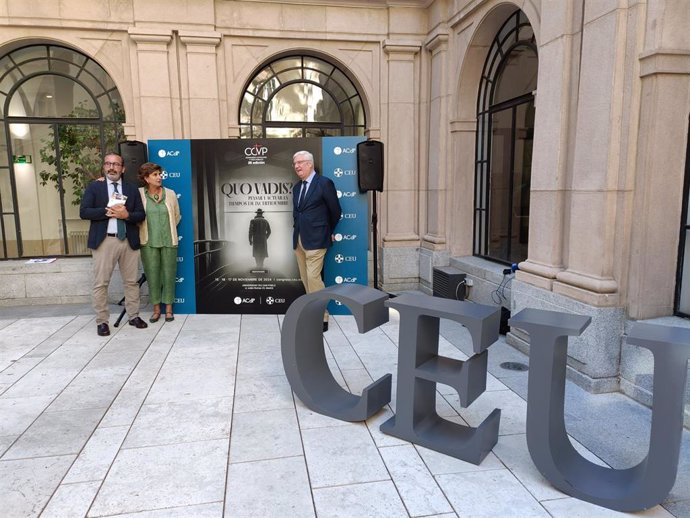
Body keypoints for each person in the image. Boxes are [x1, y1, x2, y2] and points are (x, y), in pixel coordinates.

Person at [80, 152, 148, 336]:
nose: (112, 167)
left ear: (123, 168)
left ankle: (133, 316)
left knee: (131, 282)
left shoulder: (132, 189)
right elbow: (84, 212)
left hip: (128, 240)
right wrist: (107, 211)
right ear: (104, 167)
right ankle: (102, 321)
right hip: (105, 241)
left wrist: (127, 216)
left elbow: (141, 214)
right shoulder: (95, 187)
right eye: (108, 164)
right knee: (101, 283)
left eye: (116, 164)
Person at [292, 150, 342, 331]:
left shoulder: (324, 183)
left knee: (314, 278)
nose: (296, 166)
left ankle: (322, 315)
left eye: (300, 162)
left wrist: (328, 231)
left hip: (317, 239)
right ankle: (312, 311)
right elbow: (298, 213)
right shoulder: (297, 187)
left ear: (310, 164)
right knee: (305, 278)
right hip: (299, 240)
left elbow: (335, 211)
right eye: (295, 163)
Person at [138, 162, 181, 323]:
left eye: (159, 174)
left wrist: (166, 229)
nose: (159, 177)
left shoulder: (170, 194)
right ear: (146, 178)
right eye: (155, 175)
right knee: (153, 276)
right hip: (148, 242)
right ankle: (156, 310)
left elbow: (176, 216)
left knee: (169, 275)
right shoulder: (139, 194)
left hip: (169, 240)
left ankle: (169, 309)